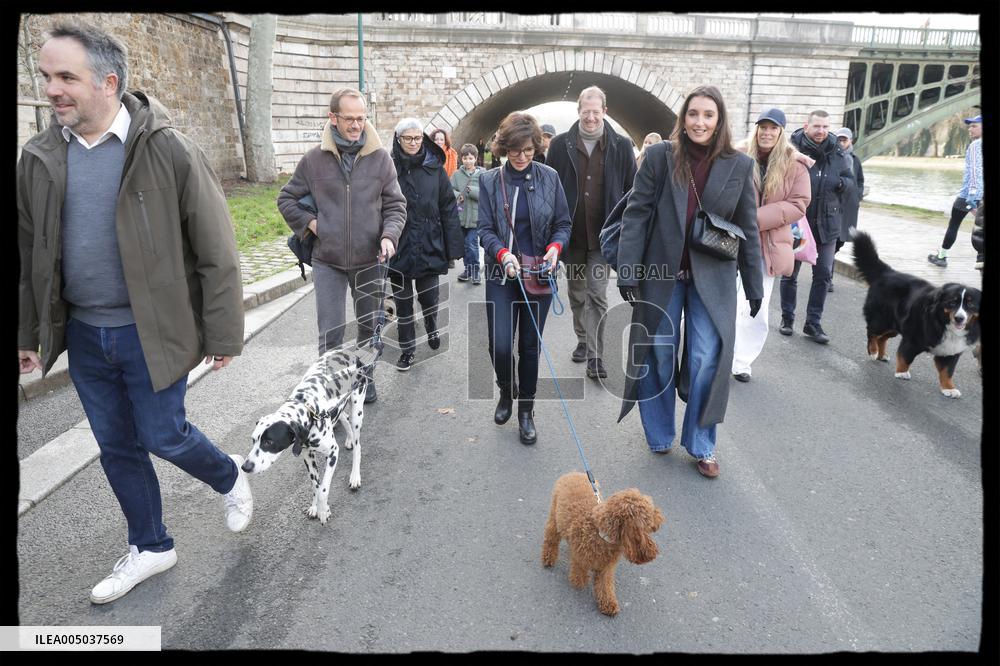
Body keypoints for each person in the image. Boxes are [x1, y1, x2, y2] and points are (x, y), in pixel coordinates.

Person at [17, 22, 252, 604]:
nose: (52, 89)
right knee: (117, 444)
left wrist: (223, 332)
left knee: (162, 435)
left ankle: (229, 475)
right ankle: (150, 545)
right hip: (85, 334)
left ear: (108, 82)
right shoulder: (40, 157)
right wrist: (28, 333)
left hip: (155, 332)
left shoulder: (167, 147)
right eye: (46, 76)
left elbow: (217, 249)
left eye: (66, 77)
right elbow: (28, 254)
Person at [616, 85, 763, 478]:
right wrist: (627, 267)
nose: (699, 122)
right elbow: (637, 213)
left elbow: (747, 226)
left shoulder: (740, 165)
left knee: (705, 359)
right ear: (683, 117)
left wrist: (754, 285)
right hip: (661, 274)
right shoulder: (661, 157)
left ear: (719, 121)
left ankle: (701, 443)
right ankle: (660, 434)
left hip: (712, 278)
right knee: (660, 352)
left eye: (708, 115)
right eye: (693, 114)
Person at [278, 87, 407, 402]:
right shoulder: (313, 161)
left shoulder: (381, 160)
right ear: (332, 118)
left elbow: (396, 206)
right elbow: (286, 198)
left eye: (361, 118)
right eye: (348, 118)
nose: (355, 125)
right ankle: (331, 390)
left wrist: (389, 236)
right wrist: (312, 224)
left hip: (370, 260)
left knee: (368, 327)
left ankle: (364, 378)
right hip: (328, 261)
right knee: (331, 332)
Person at [478, 112, 572, 445]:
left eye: (529, 150)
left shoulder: (550, 177)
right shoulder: (490, 181)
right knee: (500, 345)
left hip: (539, 276)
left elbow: (563, 223)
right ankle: (507, 389)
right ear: (505, 148)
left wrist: (555, 249)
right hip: (501, 274)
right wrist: (502, 255)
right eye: (516, 150)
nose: (522, 156)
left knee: (529, 346)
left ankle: (526, 412)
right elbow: (485, 230)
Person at [546, 86, 637, 379]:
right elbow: (550, 189)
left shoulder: (622, 146)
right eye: (586, 112)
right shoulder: (560, 146)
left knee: (597, 294)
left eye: (596, 112)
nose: (591, 117)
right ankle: (583, 339)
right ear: (579, 111)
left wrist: (627, 228)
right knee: (576, 293)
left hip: (603, 237)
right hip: (571, 236)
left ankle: (597, 357)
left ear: (604, 112)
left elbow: (632, 192)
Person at [732, 108, 811, 382]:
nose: (767, 132)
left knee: (757, 308)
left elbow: (799, 203)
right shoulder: (738, 156)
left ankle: (742, 362)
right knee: (728, 302)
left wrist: (753, 219)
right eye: (762, 127)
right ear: (756, 130)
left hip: (768, 247)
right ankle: (721, 354)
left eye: (773, 128)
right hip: (731, 243)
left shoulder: (794, 165)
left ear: (781, 132)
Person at [389, 118, 464, 371]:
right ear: (398, 140)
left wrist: (453, 248)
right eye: (407, 138)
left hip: (429, 242)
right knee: (402, 303)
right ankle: (407, 350)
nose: (413, 143)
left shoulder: (435, 167)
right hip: (398, 244)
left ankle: (431, 327)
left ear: (424, 139)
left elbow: (448, 207)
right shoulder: (389, 168)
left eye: (417, 138)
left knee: (429, 298)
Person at [782, 109, 856, 344]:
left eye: (825, 127)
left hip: (827, 222)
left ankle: (813, 323)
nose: (821, 131)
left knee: (823, 274)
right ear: (807, 126)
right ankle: (787, 318)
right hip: (797, 222)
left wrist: (841, 183)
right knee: (789, 273)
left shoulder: (838, 151)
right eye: (817, 127)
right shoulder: (790, 149)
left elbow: (850, 180)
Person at [928, 114, 982, 268]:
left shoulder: (975, 145)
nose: (970, 129)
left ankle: (941, 257)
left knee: (954, 225)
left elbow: (975, 171)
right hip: (980, 194)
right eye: (969, 126)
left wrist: (972, 197)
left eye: (974, 126)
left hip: (968, 196)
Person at [829, 127, 864, 292]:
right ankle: (827, 276)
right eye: (839, 139)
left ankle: (827, 268)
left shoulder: (855, 160)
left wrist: (858, 195)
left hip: (849, 207)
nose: (841, 143)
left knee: (840, 241)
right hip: (834, 204)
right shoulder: (831, 157)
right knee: (832, 240)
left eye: (844, 140)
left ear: (850, 141)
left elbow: (860, 180)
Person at [452, 143, 485, 284]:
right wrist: (458, 194)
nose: (468, 161)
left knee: (472, 244)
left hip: (475, 217)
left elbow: (486, 195)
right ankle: (468, 270)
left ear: (476, 159)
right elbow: (449, 190)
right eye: (465, 158)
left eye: (471, 158)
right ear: (461, 159)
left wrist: (473, 191)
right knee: (465, 245)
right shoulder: (456, 174)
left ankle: (476, 272)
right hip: (461, 216)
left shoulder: (483, 175)